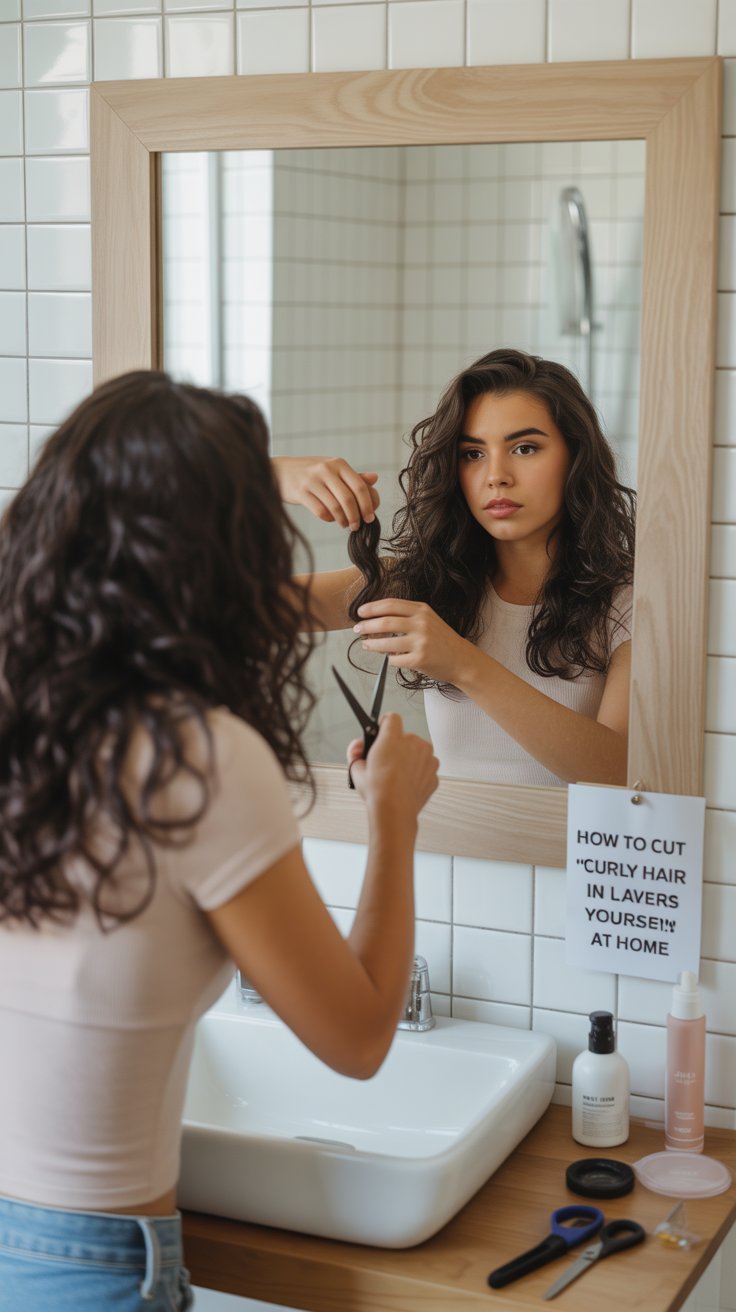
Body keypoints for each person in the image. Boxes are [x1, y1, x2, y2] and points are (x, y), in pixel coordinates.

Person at [0, 370, 438, 1311]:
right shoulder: (194, 758)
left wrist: (251, 472)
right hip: (86, 1267)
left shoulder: (26, 705)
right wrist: (391, 819)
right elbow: (360, 1040)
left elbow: (307, 603)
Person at [276, 348, 635, 787]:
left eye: (525, 448)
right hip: (452, 853)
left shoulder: (627, 601)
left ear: (575, 457)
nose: (495, 476)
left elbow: (621, 775)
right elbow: (219, 608)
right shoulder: (420, 583)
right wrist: (268, 475)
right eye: (472, 454)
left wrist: (464, 664)